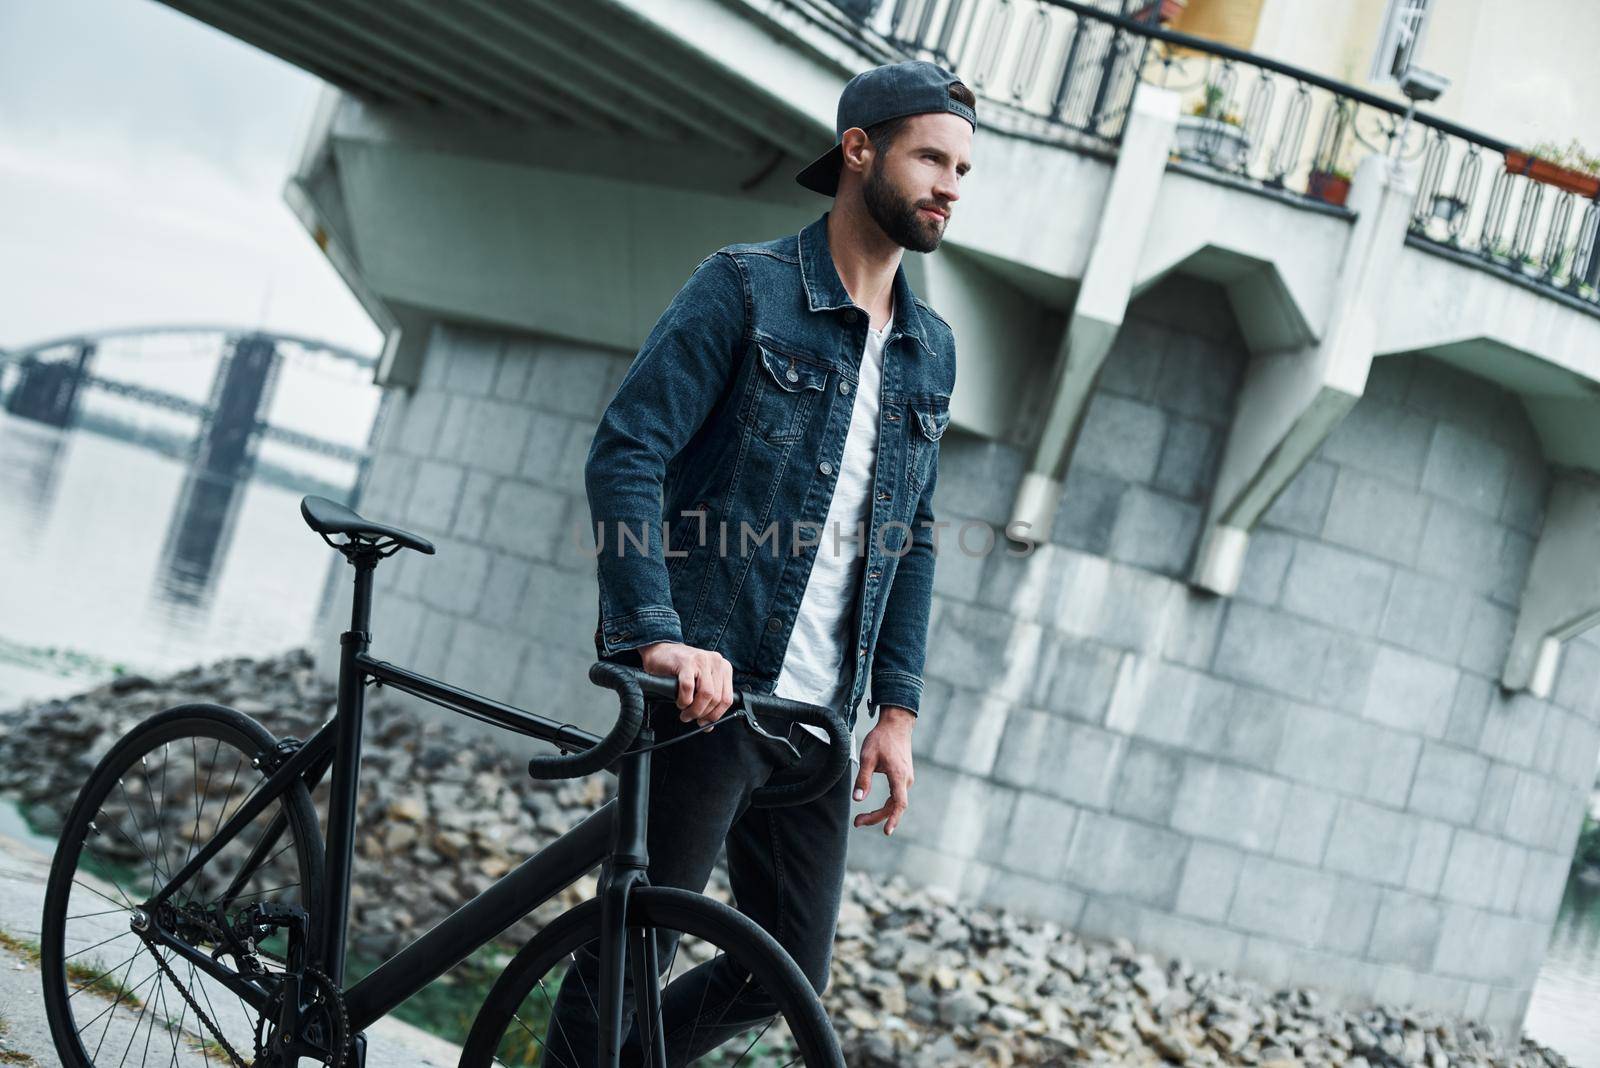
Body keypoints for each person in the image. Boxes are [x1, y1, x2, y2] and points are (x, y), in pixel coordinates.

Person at [546, 59, 975, 1065]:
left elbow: (909, 535)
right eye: (929, 158)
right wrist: (657, 639)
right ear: (858, 150)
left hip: (821, 720)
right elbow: (628, 452)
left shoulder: (931, 349)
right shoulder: (744, 288)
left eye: (963, 167)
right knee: (629, 950)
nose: (950, 185)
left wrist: (897, 713)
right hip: (711, 695)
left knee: (782, 969)